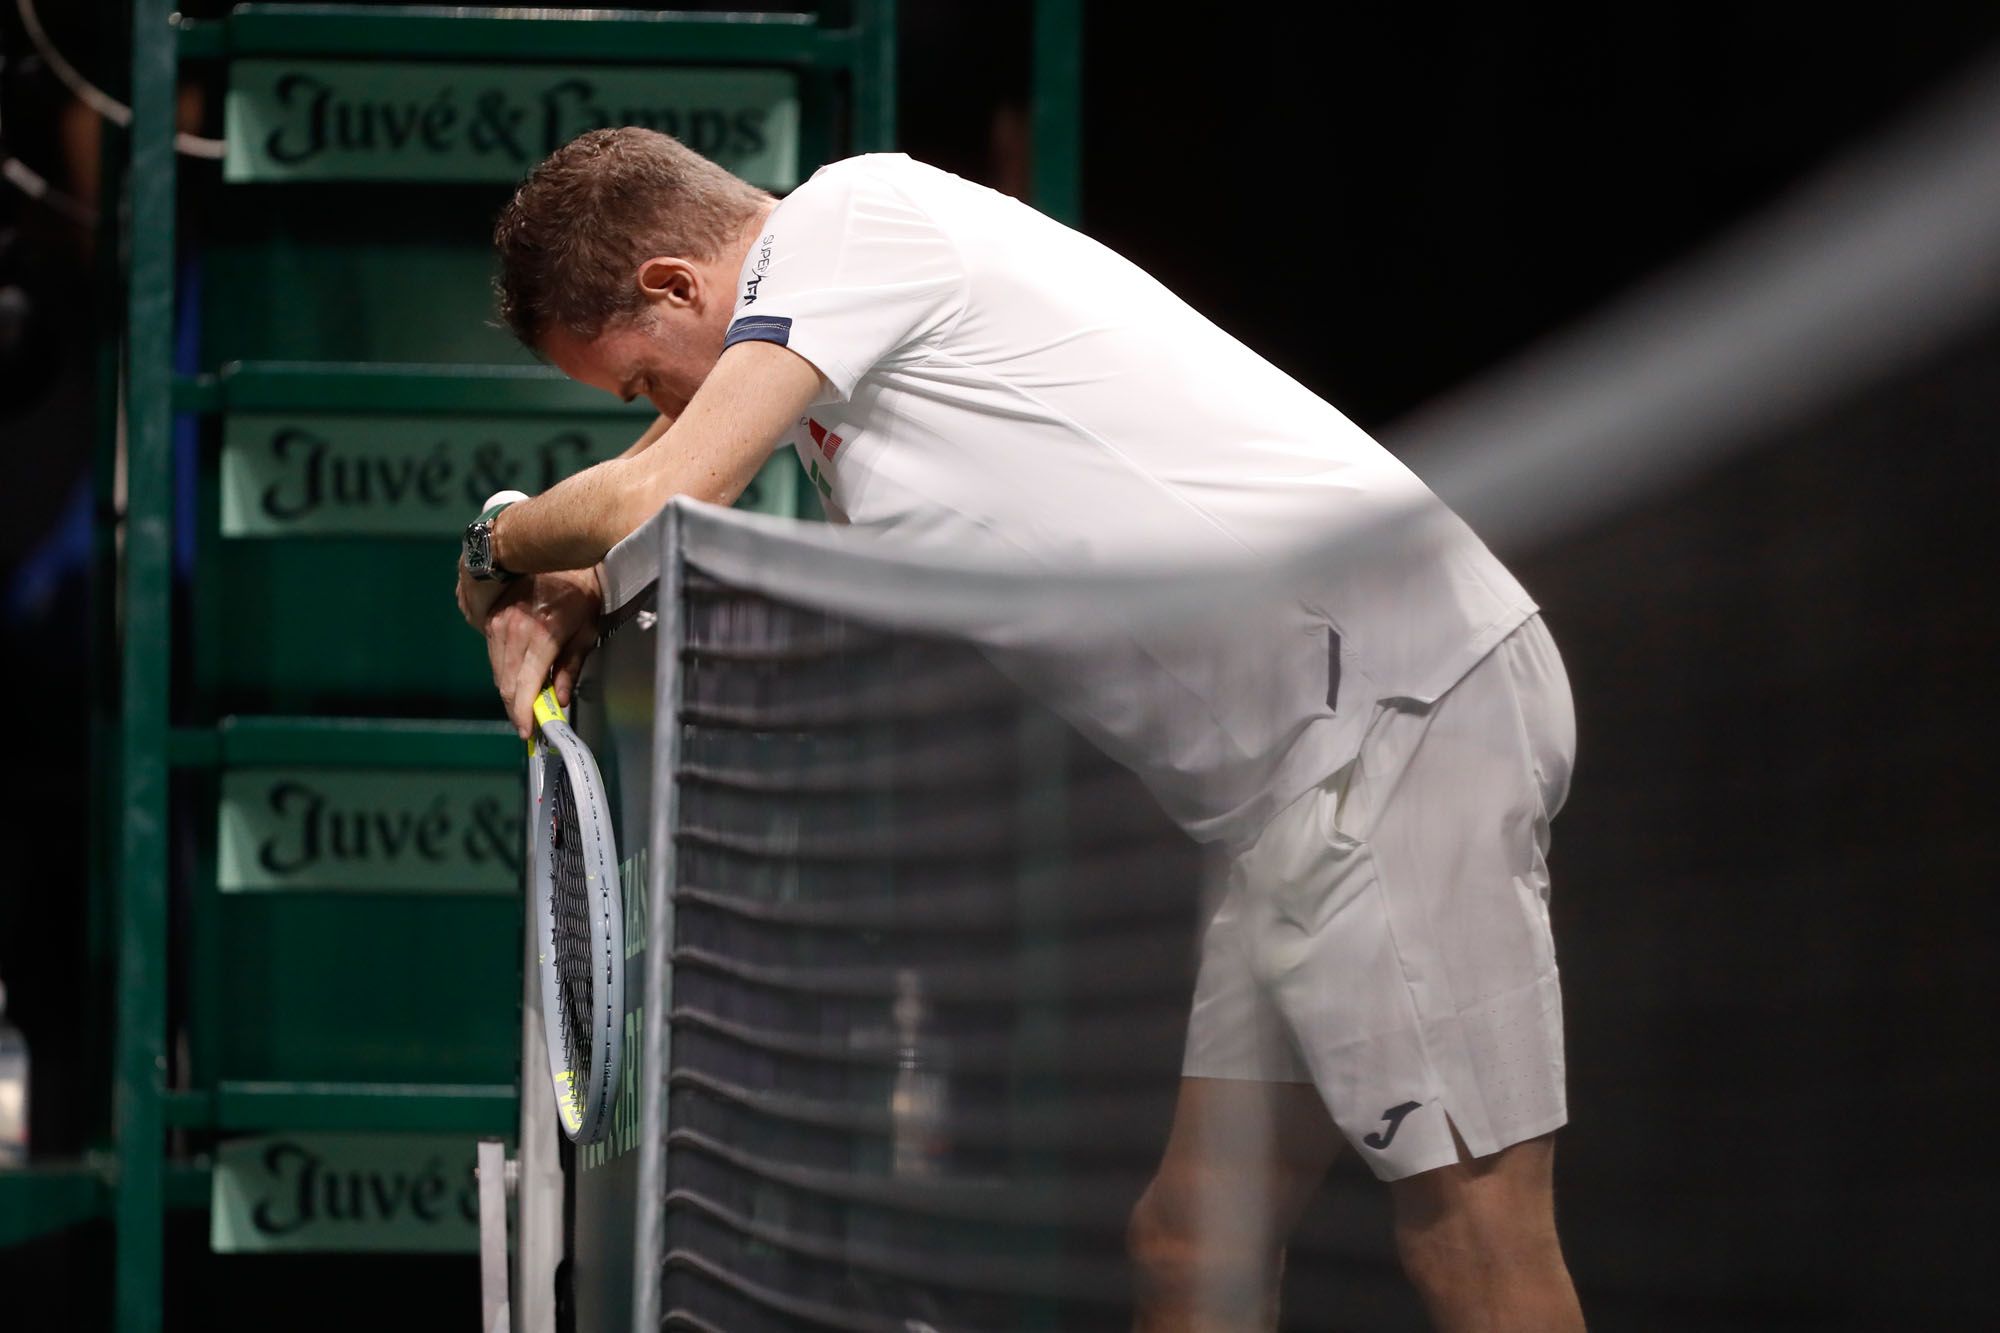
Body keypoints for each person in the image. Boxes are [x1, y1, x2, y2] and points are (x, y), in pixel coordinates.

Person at [456, 127, 1584, 1333]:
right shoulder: (832, 350)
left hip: (1391, 718)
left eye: (640, 378)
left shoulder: (849, 218)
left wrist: (496, 545)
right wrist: (575, 587)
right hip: (1296, 796)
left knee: (1473, 1227)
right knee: (1193, 1237)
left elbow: (656, 487)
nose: (656, 406)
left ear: (675, 285)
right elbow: (660, 482)